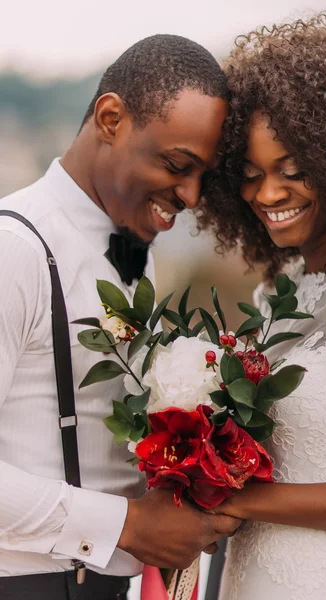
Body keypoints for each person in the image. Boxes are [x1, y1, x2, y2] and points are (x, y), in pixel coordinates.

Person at [0, 34, 241, 600]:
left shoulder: (142, 262)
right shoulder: (14, 248)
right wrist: (129, 525)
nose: (190, 195)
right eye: (178, 165)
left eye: (203, 176)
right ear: (111, 117)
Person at [200, 13, 326, 600]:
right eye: (251, 174)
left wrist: (237, 498)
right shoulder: (281, 290)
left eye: (293, 171)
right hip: (247, 579)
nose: (267, 195)